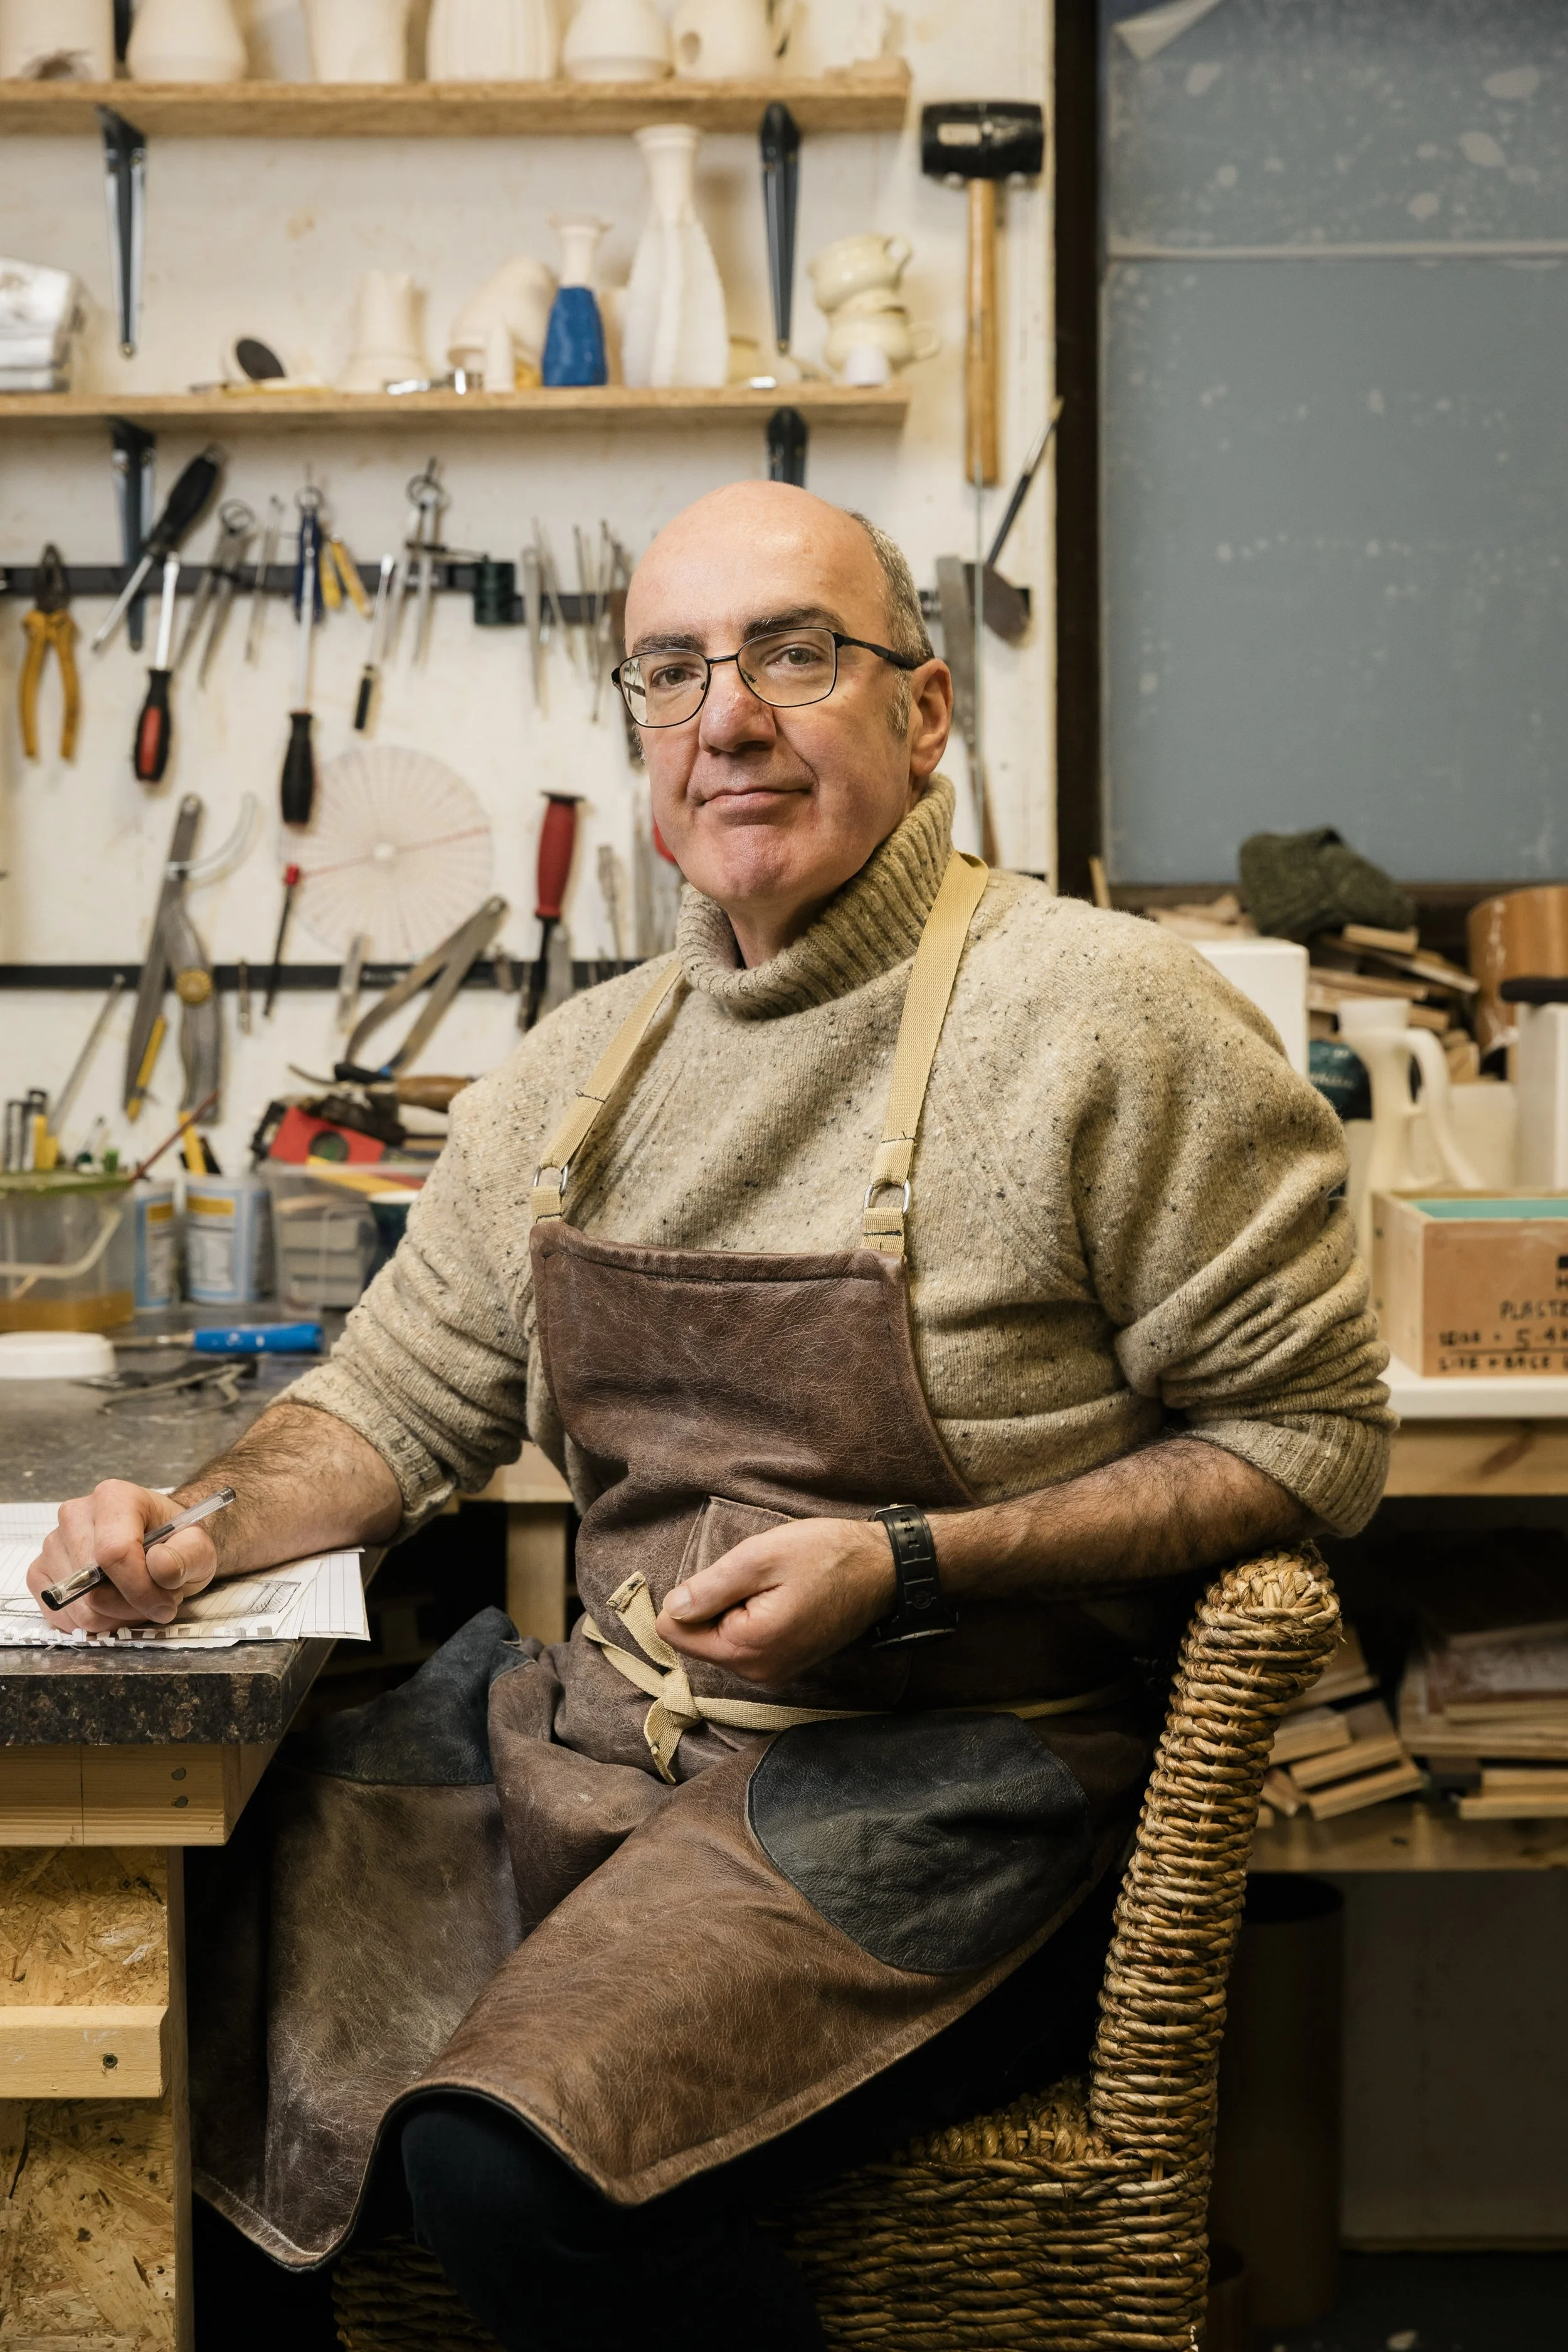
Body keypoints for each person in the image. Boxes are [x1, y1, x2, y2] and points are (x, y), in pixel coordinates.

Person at [31, 484, 1391, 2352]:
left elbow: (1306, 1437)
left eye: (792, 652)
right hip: (607, 1762)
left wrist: (911, 1563)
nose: (728, 715)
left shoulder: (1104, 1021)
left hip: (943, 1789)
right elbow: (402, 1388)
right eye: (670, 671)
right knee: (174, 2021)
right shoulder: (576, 1072)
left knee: (503, 2173)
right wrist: (195, 1525)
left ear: (921, 716)